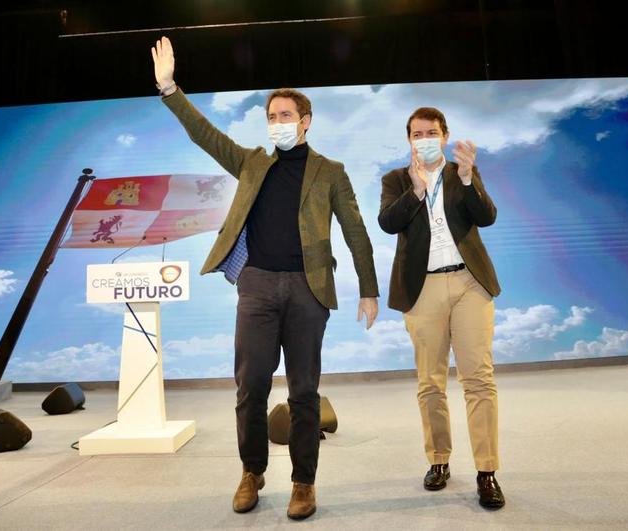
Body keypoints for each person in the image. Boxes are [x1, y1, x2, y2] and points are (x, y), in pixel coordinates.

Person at [151, 36, 379, 520]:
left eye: (285, 116)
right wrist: (171, 90)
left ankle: (303, 483)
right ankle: (251, 472)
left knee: (303, 392)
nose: (277, 123)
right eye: (271, 117)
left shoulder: (330, 172)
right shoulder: (253, 161)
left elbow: (356, 230)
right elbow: (205, 135)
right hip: (255, 286)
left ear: (305, 121)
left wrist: (368, 289)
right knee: (251, 387)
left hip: (307, 290)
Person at [378, 107, 505, 508]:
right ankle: (439, 460)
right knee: (430, 382)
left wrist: (469, 180)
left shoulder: (461, 173)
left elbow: (486, 217)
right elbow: (387, 222)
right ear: (409, 140)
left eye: (431, 132)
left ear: (445, 135)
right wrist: (415, 190)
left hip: (469, 283)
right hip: (423, 288)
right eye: (417, 134)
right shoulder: (396, 179)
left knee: (479, 379)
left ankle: (487, 471)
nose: (424, 139)